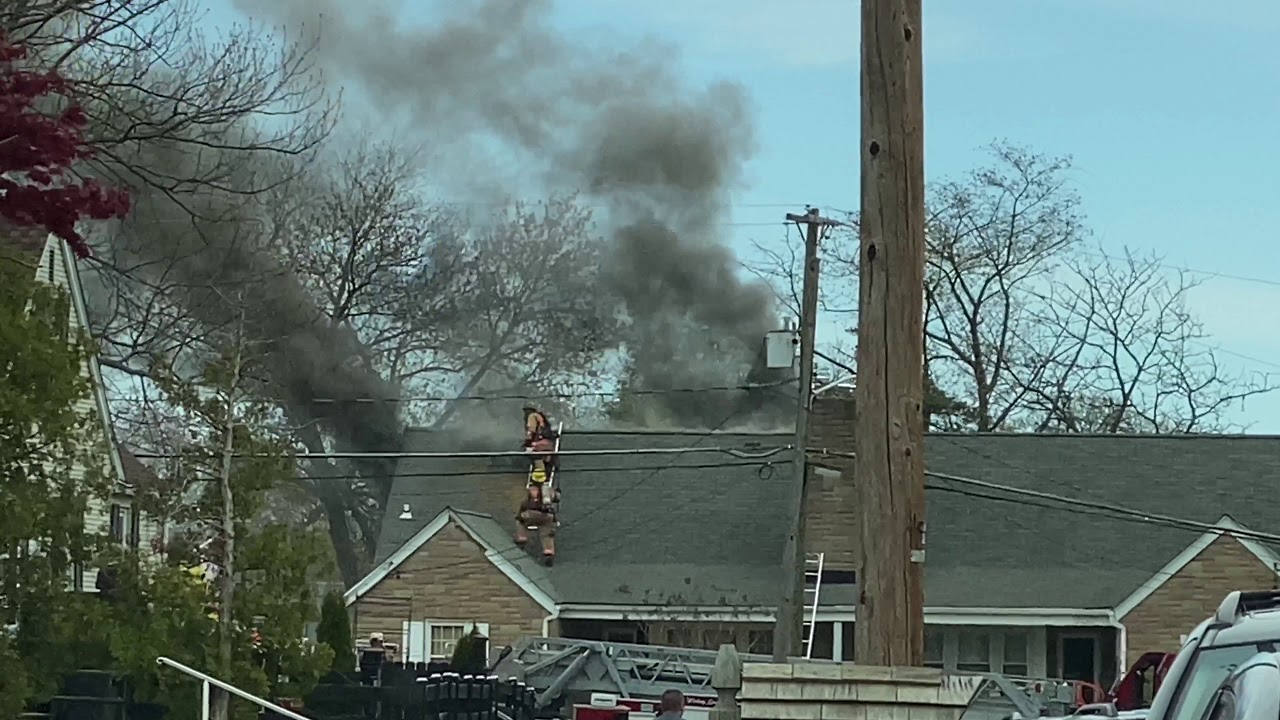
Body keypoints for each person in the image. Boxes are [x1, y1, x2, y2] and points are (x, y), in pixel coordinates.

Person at [514, 484, 558, 564]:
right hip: (547, 517)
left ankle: (521, 539)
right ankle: (548, 552)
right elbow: (557, 498)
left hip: (531, 515)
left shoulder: (531, 492)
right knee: (547, 533)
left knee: (520, 520)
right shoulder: (548, 491)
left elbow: (523, 506)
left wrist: (520, 515)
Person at [522, 405, 560, 479]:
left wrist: (525, 441)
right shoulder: (542, 417)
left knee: (531, 451)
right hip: (550, 444)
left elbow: (531, 431)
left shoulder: (532, 416)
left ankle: (539, 474)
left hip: (542, 444)